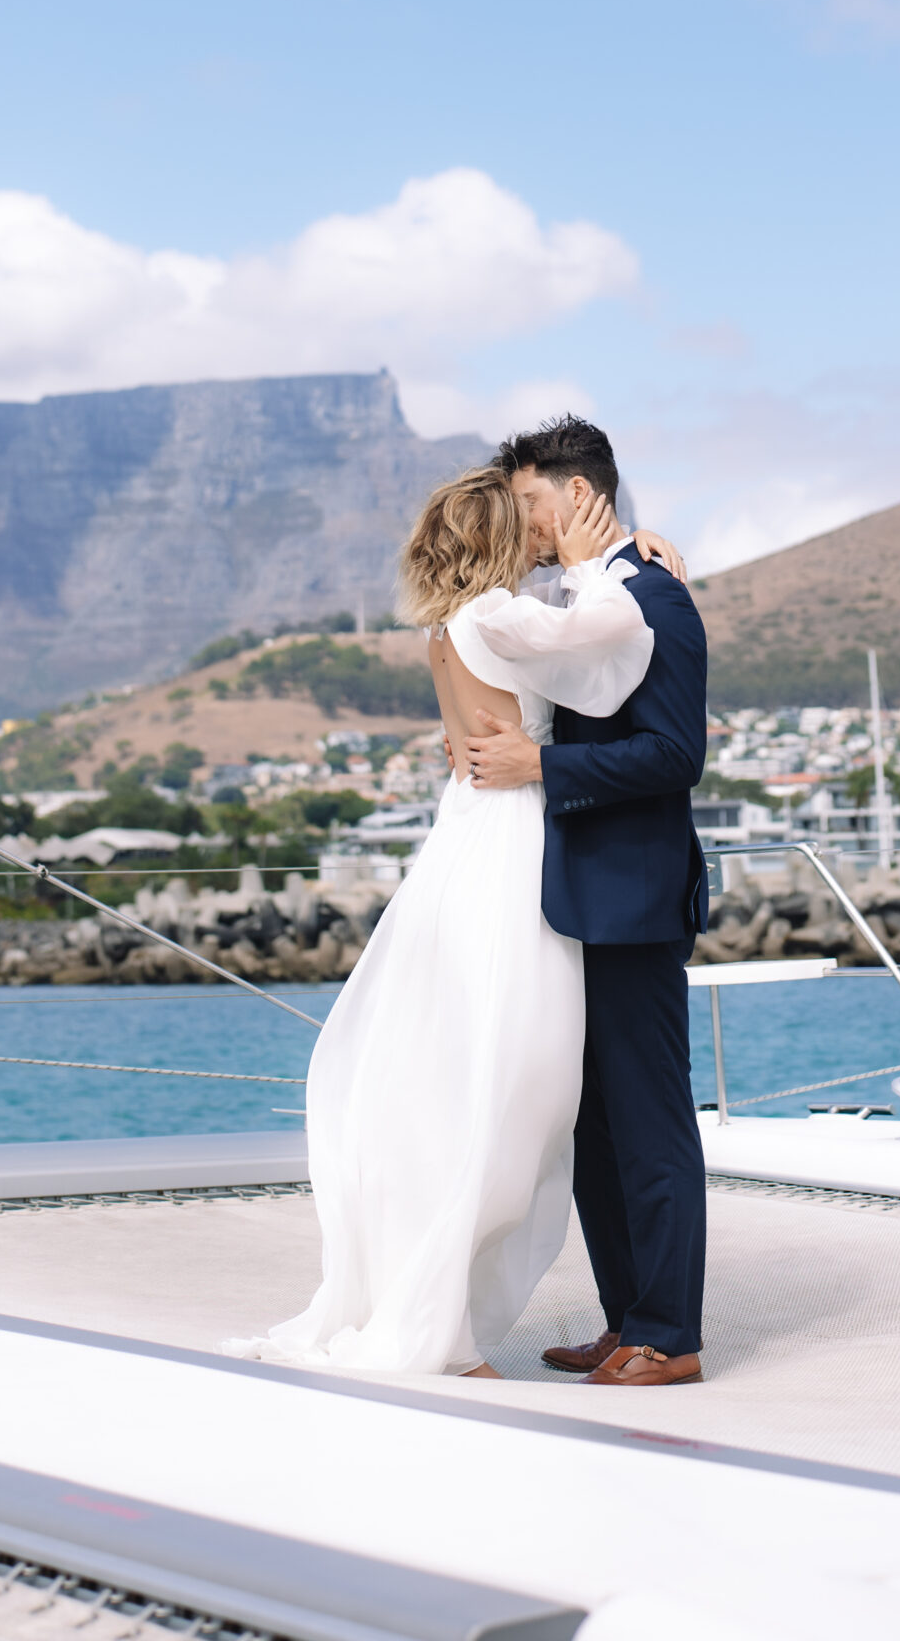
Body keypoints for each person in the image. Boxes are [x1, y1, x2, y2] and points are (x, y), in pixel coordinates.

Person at [226, 461, 679, 1377]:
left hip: (465, 831)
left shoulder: (450, 623)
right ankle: (442, 1324)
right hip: (513, 839)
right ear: (496, 537)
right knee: (518, 1084)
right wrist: (618, 564)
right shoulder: (496, 616)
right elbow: (611, 636)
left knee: (485, 1072)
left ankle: (449, 1315)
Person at [466, 415, 710, 1389]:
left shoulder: (659, 598)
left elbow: (674, 755)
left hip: (638, 900)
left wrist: (543, 762)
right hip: (569, 905)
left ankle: (673, 1336)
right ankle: (627, 1319)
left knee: (649, 1121)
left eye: (529, 501)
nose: (521, 522)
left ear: (575, 494)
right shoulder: (568, 600)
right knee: (594, 1122)